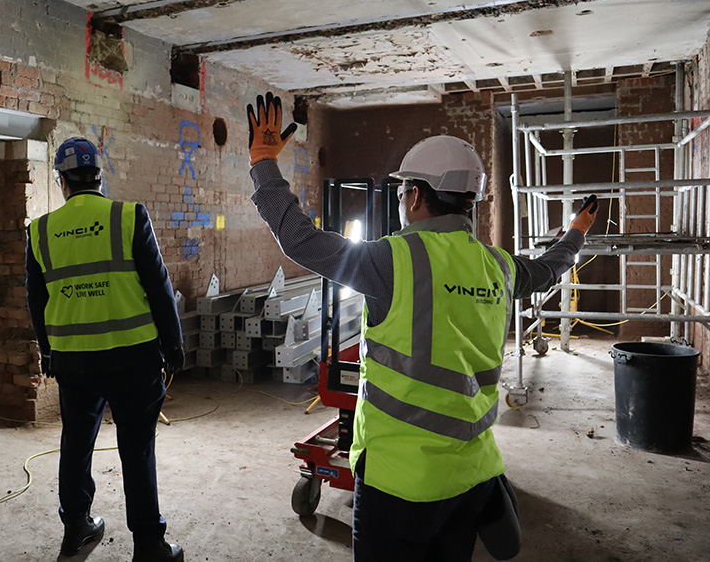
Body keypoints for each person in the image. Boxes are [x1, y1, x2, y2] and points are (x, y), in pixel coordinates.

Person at [245, 92, 597, 562]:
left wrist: (263, 163)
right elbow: (549, 268)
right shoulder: (499, 267)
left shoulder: (393, 260)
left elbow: (300, 240)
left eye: (401, 191)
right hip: (473, 475)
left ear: (413, 195)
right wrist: (576, 233)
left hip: (399, 480)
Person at [26, 137, 186, 562]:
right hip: (133, 356)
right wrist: (173, 344)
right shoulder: (128, 217)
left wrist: (47, 351)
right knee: (137, 449)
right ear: (99, 175)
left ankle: (76, 528)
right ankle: (150, 546)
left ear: (61, 181)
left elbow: (36, 300)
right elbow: (159, 286)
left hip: (74, 360)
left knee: (76, 442)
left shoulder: (40, 230)